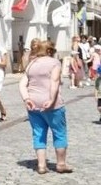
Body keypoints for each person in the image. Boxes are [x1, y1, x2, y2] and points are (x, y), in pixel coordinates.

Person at [19, 38, 71, 174]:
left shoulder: (31, 64)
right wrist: (51, 99)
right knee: (59, 133)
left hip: (33, 104)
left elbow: (22, 84)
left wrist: (26, 99)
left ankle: (41, 165)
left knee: (38, 134)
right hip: (53, 105)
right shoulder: (54, 63)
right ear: (49, 51)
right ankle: (61, 164)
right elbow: (54, 81)